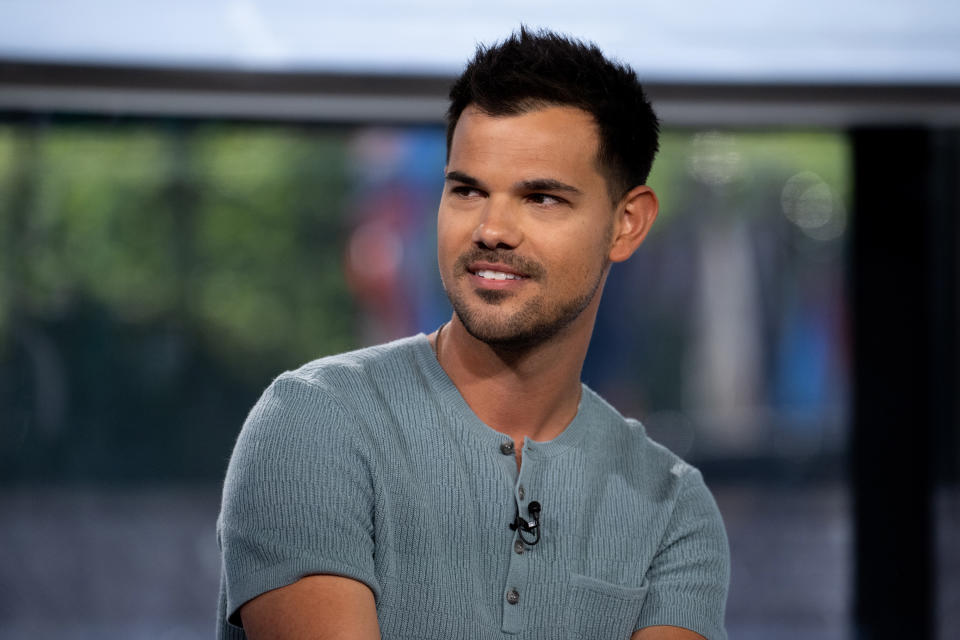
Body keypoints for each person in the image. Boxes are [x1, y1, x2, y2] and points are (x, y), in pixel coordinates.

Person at [217, 27, 730, 640]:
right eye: (467, 190)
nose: (491, 229)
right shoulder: (317, 422)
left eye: (541, 198)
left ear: (627, 223)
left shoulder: (672, 509)